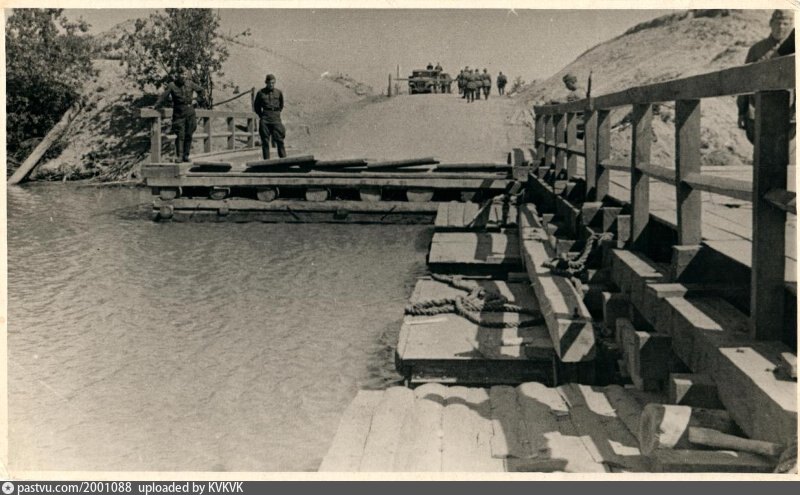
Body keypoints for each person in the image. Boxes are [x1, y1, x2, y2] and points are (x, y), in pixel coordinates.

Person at [737, 9, 794, 144]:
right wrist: (742, 112)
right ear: (770, 23)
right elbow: (744, 82)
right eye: (777, 23)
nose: (781, 27)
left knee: (785, 152)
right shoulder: (757, 50)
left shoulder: (794, 49)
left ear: (791, 26)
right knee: (762, 151)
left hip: (788, 114)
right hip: (760, 112)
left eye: (785, 24)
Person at [155, 68, 205, 163]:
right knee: (180, 135)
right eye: (182, 74)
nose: (183, 76)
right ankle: (180, 156)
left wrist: (197, 100)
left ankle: (186, 156)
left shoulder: (190, 83)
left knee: (189, 134)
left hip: (190, 112)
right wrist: (155, 106)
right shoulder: (172, 85)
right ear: (177, 75)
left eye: (185, 74)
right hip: (179, 113)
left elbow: (202, 91)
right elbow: (163, 97)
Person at [253, 73, 286, 159]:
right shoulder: (261, 93)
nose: (271, 85)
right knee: (265, 141)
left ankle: (284, 161)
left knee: (280, 140)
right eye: (269, 83)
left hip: (276, 118)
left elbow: (281, 105)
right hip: (265, 118)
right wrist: (262, 115)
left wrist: (276, 113)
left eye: (273, 83)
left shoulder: (278, 93)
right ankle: (266, 162)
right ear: (266, 83)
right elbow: (256, 106)